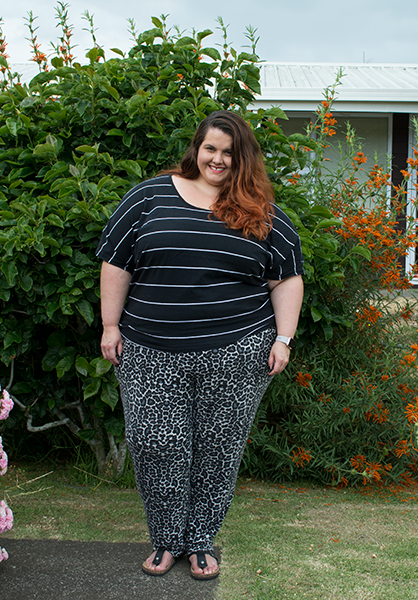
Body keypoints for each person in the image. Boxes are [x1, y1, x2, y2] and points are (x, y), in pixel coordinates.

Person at [96, 110, 304, 580]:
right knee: (155, 443)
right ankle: (166, 540)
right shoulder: (148, 197)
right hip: (150, 348)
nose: (218, 159)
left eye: (229, 152)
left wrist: (283, 338)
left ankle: (201, 542)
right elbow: (115, 263)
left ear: (242, 158)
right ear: (197, 149)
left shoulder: (260, 211)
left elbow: (287, 278)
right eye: (211, 148)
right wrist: (111, 326)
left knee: (218, 447)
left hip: (237, 350)